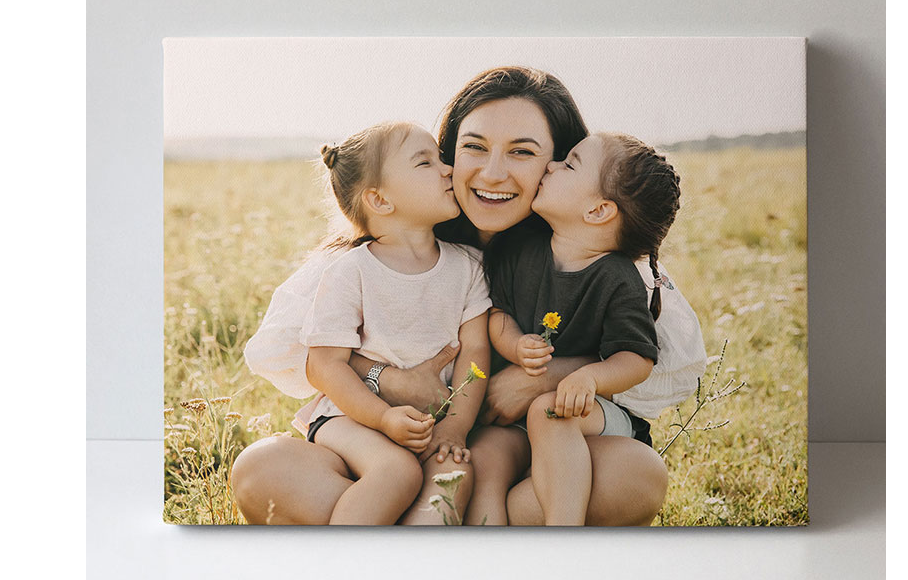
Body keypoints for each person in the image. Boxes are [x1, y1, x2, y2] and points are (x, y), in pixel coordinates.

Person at [232, 67, 706, 525]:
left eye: (522, 152)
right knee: (263, 469)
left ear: (558, 163)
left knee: (635, 475)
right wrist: (387, 378)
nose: (493, 173)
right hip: (395, 452)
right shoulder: (380, 253)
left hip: (522, 463)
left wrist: (540, 377)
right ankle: (411, 525)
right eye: (474, 147)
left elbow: (651, 365)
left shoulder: (596, 257)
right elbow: (307, 353)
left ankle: (470, 528)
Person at [474, 132, 682, 525]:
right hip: (520, 428)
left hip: (591, 418)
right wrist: (516, 345)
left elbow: (636, 357)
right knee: (487, 454)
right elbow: (497, 313)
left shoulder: (617, 277)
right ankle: (487, 539)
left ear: (598, 211)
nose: (550, 166)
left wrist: (589, 379)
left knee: (549, 410)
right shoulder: (522, 249)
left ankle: (563, 531)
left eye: (568, 164)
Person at [300, 122, 490, 525]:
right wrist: (382, 418)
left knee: (453, 474)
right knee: (396, 472)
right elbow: (324, 365)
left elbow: (475, 353)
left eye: (441, 159)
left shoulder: (468, 266)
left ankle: (417, 575)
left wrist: (455, 428)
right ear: (380, 200)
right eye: (426, 162)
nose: (448, 169)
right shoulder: (351, 271)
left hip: (430, 426)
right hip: (350, 418)